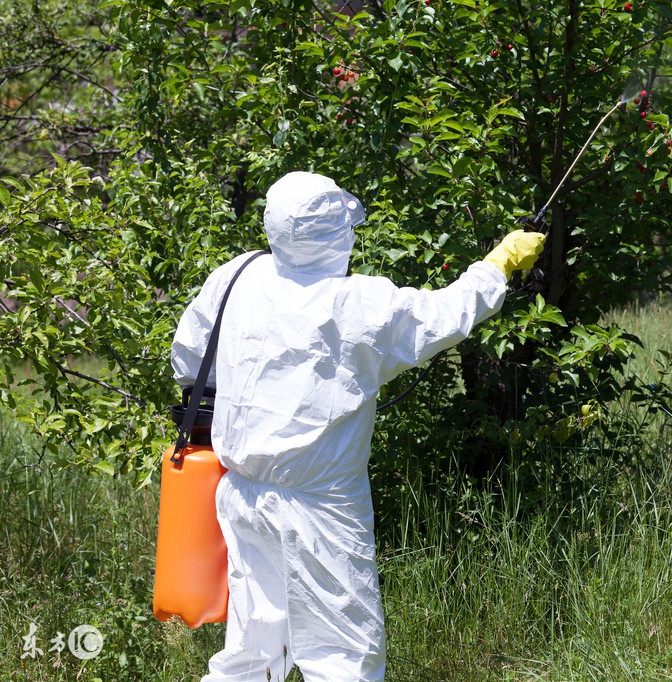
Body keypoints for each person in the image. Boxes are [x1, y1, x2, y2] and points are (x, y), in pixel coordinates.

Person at [170, 171, 545, 681]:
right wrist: (498, 264)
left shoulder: (238, 275)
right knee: (344, 657)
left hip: (241, 495)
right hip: (320, 508)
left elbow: (188, 362)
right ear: (335, 234)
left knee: (253, 650)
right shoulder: (360, 303)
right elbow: (446, 313)